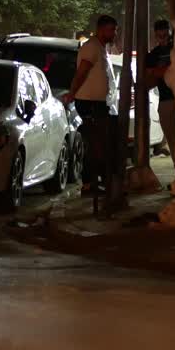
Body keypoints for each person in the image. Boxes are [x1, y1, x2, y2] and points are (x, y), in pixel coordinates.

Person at [65, 15, 121, 207]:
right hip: (89, 104)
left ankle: (95, 182)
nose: (114, 34)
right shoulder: (91, 47)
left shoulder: (101, 48)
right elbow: (82, 73)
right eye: (111, 30)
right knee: (96, 144)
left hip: (98, 103)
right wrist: (72, 93)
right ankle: (90, 183)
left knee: (100, 144)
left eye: (115, 30)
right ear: (101, 29)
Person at [145, 20, 175, 163]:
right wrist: (172, 68)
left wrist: (161, 71)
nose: (163, 39)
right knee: (173, 141)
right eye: (160, 36)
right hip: (166, 99)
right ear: (155, 36)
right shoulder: (154, 54)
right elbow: (152, 74)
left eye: (166, 35)